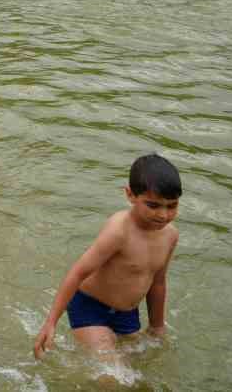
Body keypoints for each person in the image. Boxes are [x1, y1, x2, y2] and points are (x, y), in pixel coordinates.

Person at [32, 154, 181, 362]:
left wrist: (157, 326)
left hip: (127, 315)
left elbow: (157, 283)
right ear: (130, 195)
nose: (163, 215)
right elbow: (77, 273)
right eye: (153, 205)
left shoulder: (170, 235)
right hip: (90, 308)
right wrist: (50, 323)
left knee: (136, 373)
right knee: (111, 378)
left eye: (171, 206)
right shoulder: (119, 231)